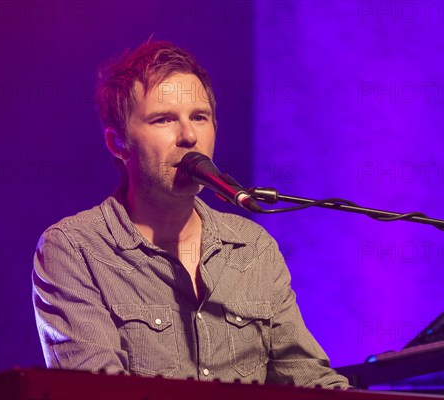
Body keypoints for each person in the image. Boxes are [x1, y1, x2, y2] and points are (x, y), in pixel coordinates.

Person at [32, 40, 350, 389]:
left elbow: (308, 380)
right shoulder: (75, 249)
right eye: (163, 119)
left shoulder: (252, 247)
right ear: (118, 143)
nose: (188, 136)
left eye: (200, 117)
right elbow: (100, 393)